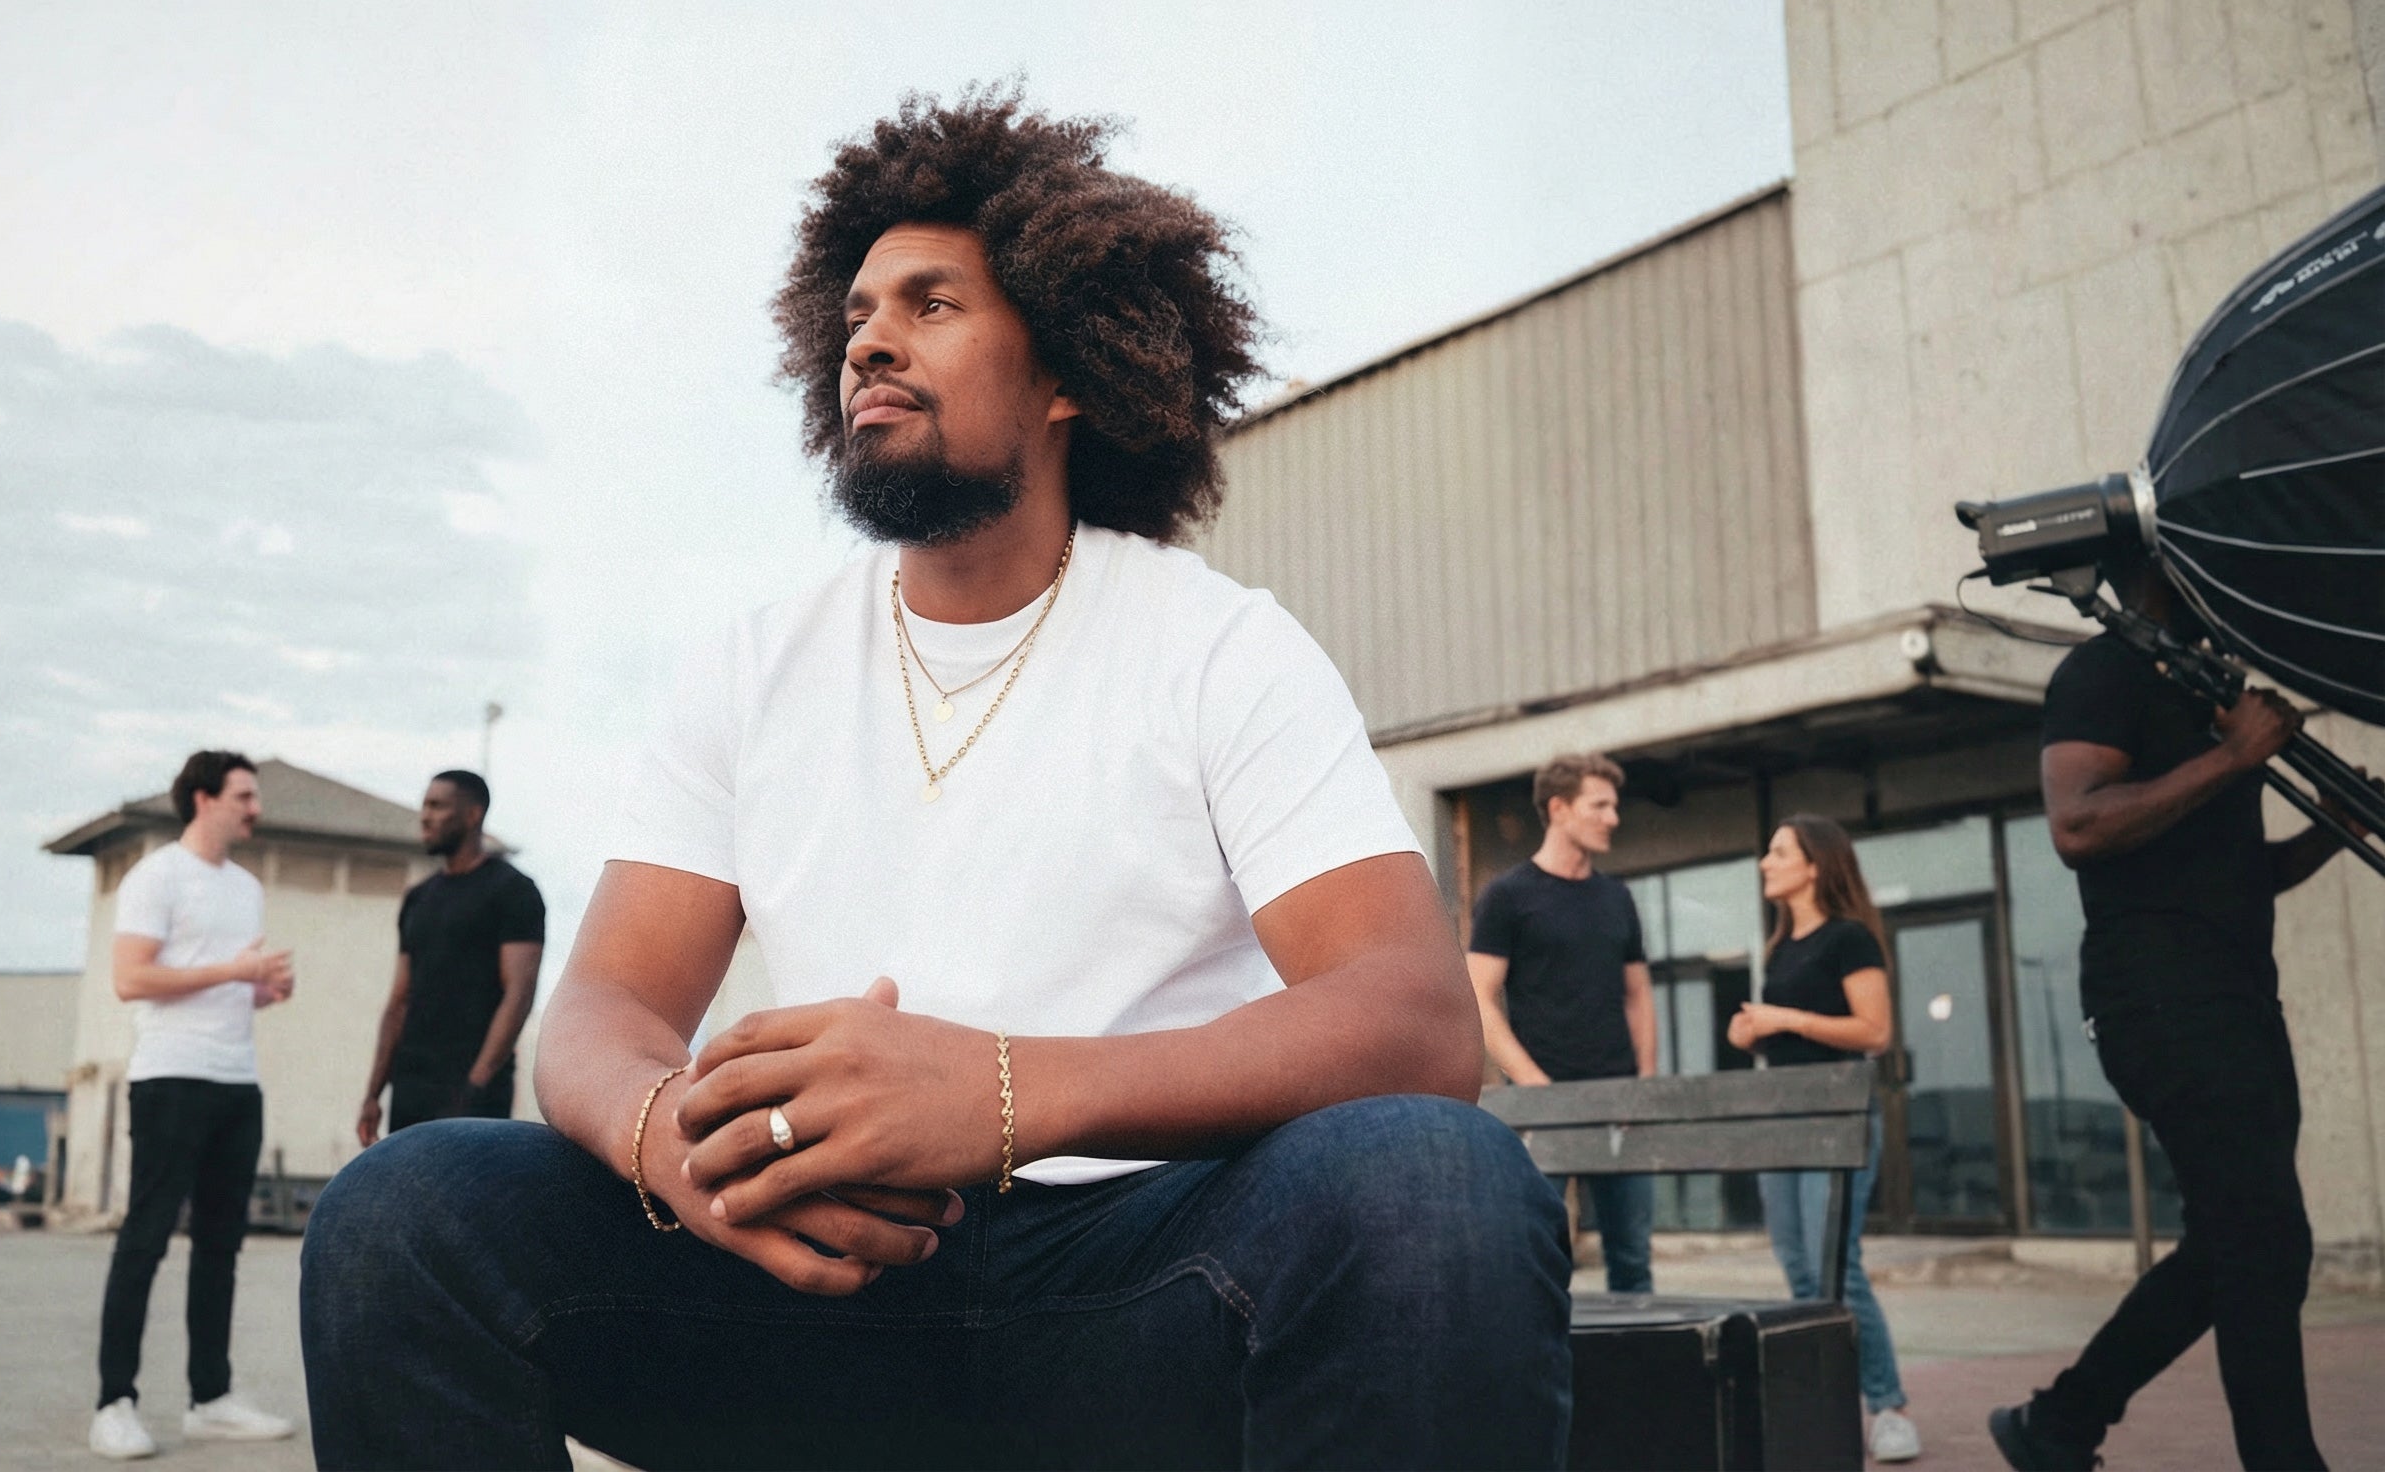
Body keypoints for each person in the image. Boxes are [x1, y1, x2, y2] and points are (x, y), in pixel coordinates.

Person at [299, 89, 1573, 1471]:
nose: (870, 341)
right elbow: (603, 1007)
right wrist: (674, 1143)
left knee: (1430, 1182)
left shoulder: (1218, 645)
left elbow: (1414, 1019)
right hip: (815, 1281)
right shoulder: (756, 666)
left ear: (1067, 371)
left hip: (1143, 1280)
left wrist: (1007, 1094)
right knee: (402, 1214)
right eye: (855, 315)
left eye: (932, 304)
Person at [1989, 560, 2360, 1472]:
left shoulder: (2205, 690)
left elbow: (2236, 873)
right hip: (2159, 999)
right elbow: (2077, 826)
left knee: (2245, 1238)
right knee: (2260, 1237)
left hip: (2236, 995)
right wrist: (2236, 756)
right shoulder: (2101, 673)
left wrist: (2332, 827)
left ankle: (2059, 1425)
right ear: (2157, 569)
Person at [89, 750, 300, 1461]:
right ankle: (113, 1404)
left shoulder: (246, 888)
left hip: (236, 1082)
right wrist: (235, 969)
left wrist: (262, 990)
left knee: (220, 1246)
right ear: (204, 799)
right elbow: (130, 978)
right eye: (245, 796)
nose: (256, 809)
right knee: (145, 1239)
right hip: (169, 1079)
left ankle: (211, 1399)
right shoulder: (156, 877)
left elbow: (227, 986)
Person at [1732, 814, 1916, 1464]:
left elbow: (1875, 1031)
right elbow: (1790, 1038)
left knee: (1836, 1266)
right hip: (1783, 1120)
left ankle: (1887, 1407)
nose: (1765, 862)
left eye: (1778, 852)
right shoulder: (1782, 946)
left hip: (1838, 1122)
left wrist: (1786, 1017)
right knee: (1799, 1267)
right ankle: (1824, 1406)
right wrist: (1752, 1031)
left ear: (1815, 866)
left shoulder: (1849, 938)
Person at [1468, 752, 1659, 1293]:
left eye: (1614, 806)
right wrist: (1533, 1084)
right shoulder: (1508, 896)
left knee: (1632, 1260)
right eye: (1599, 806)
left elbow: (1638, 996)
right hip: (1541, 1105)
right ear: (1558, 809)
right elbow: (1478, 997)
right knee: (1540, 1260)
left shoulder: (1617, 898)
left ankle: (1633, 1353)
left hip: (1618, 1101)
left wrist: (1644, 1084)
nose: (1613, 818)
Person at [357, 770, 547, 1146]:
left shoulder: (513, 891)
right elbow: (399, 1000)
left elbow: (519, 994)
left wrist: (477, 1083)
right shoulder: (418, 898)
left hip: (473, 1094)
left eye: (437, 806)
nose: (425, 816)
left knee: (471, 1186)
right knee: (408, 1184)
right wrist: (373, 1093)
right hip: (411, 1088)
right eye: (424, 806)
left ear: (473, 815)